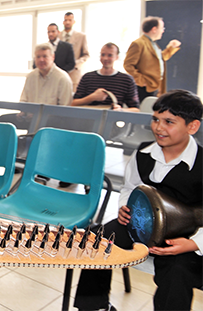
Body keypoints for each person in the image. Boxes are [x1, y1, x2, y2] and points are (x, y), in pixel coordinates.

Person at [74, 89, 203, 311]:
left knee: (177, 273)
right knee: (99, 240)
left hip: (186, 237)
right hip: (142, 226)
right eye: (155, 120)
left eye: (169, 122)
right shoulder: (143, 153)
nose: (159, 128)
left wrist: (194, 243)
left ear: (192, 126)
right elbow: (130, 187)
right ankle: (95, 306)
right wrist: (125, 206)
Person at [124, 16, 181, 103]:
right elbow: (128, 65)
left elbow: (159, 60)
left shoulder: (152, 44)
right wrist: (141, 81)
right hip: (145, 88)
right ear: (154, 29)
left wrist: (171, 48)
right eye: (162, 28)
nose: (163, 31)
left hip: (154, 87)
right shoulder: (138, 44)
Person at [72, 43, 139, 111]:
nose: (105, 58)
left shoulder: (126, 80)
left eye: (110, 55)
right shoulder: (87, 77)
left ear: (116, 57)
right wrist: (92, 97)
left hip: (113, 118)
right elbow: (73, 103)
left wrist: (121, 110)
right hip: (90, 117)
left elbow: (136, 109)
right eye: (103, 55)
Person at [59, 12, 90, 91]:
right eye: (65, 20)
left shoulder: (81, 36)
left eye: (70, 20)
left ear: (73, 21)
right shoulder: (57, 36)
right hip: (59, 73)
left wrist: (75, 64)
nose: (67, 22)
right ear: (63, 22)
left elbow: (86, 55)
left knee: (72, 99)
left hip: (74, 74)